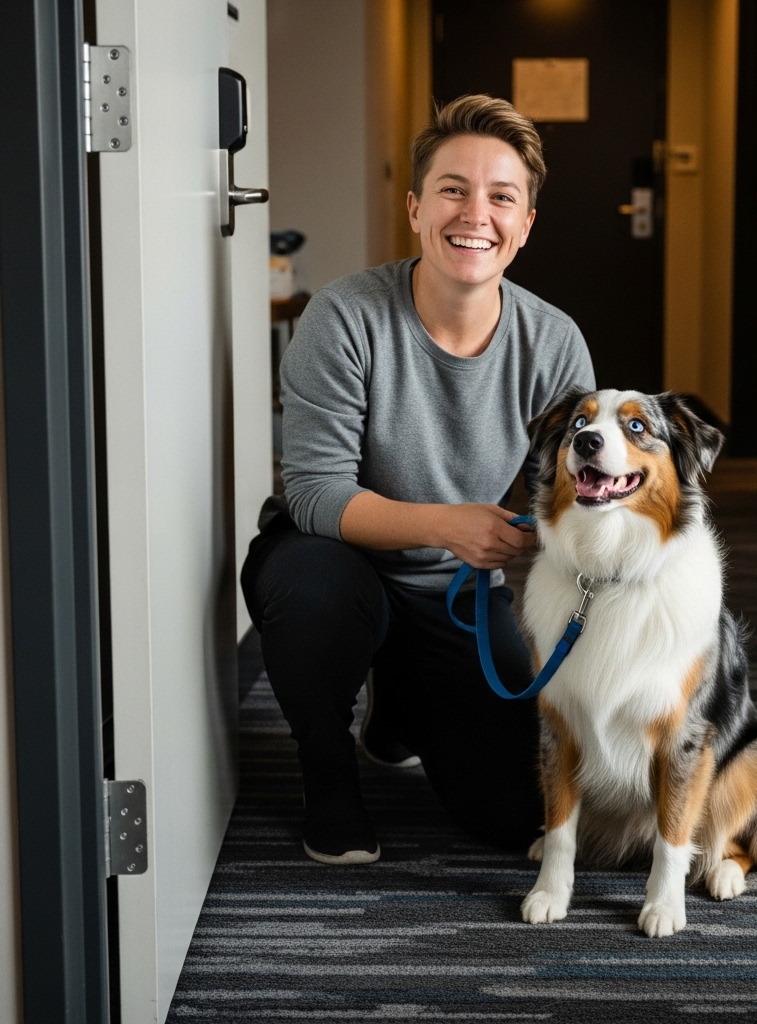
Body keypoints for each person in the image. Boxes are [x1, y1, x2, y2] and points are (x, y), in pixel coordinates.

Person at [240, 94, 596, 865]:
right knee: (314, 587)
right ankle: (327, 771)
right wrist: (448, 524)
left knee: (511, 816)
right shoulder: (344, 316)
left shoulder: (556, 342)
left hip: (456, 591)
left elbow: (569, 494)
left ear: (526, 223)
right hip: (333, 560)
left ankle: (398, 702)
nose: (476, 213)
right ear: (415, 208)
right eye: (452, 189)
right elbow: (313, 492)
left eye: (502, 196)